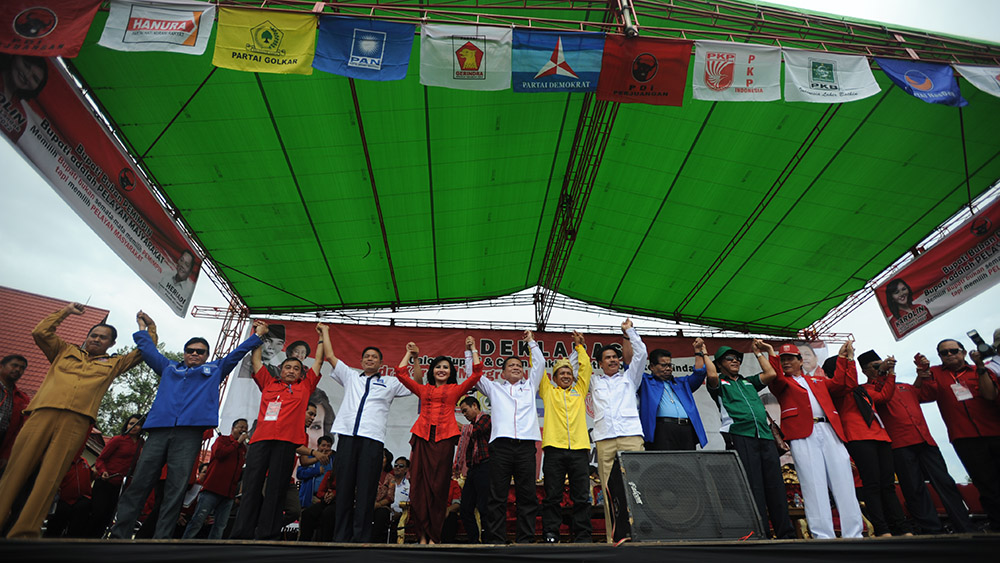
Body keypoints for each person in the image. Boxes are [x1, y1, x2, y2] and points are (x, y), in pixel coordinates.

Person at [0, 303, 153, 538]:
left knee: (51, 477)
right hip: (42, 413)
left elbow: (143, 352)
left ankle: (24, 532)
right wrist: (66, 312)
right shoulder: (63, 351)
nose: (96, 339)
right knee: (16, 469)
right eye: (93, 335)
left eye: (103, 338)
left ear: (111, 344)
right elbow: (40, 332)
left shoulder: (113, 364)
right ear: (87, 337)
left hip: (76, 422)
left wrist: (147, 328)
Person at [110, 313, 262, 540]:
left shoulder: (215, 370)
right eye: (190, 350)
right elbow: (149, 351)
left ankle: (160, 541)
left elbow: (237, 353)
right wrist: (143, 327)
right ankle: (118, 536)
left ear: (206, 355)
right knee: (139, 483)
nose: (194, 354)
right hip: (159, 431)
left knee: (175, 490)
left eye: (199, 351)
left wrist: (257, 336)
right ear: (184, 353)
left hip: (189, 434)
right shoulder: (169, 368)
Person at [862, 351, 973, 534]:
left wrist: (924, 372)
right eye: (875, 366)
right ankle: (932, 530)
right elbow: (883, 396)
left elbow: (929, 393)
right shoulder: (867, 390)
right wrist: (884, 374)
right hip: (899, 445)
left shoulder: (905, 387)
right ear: (865, 371)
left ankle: (965, 526)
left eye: (881, 364)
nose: (881, 368)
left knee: (945, 483)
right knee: (914, 489)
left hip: (925, 440)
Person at [230, 321, 323, 540]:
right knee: (251, 488)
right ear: (280, 370)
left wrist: (320, 336)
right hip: (260, 441)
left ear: (301, 373)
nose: (291, 370)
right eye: (287, 367)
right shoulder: (268, 382)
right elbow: (255, 359)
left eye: (296, 368)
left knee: (275, 490)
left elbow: (318, 361)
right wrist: (258, 335)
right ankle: (241, 533)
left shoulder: (304, 387)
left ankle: (267, 534)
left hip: (285, 443)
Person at [321, 324, 412, 543]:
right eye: (366, 356)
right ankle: (340, 536)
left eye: (374, 357)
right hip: (347, 437)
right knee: (343, 487)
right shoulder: (351, 377)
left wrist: (410, 355)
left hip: (372, 440)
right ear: (361, 361)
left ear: (381, 363)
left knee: (365, 489)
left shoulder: (389, 382)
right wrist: (324, 332)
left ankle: (360, 537)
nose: (370, 359)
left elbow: (415, 383)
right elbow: (330, 356)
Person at [765, 340, 863, 539]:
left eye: (790, 358)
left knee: (843, 481)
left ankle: (854, 534)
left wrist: (847, 359)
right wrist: (770, 354)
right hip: (803, 434)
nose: (785, 363)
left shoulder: (818, 380)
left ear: (800, 361)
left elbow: (846, 384)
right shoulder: (782, 383)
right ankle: (823, 536)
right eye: (782, 359)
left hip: (829, 429)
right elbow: (776, 376)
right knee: (813, 485)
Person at [395, 338, 483, 544]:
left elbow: (477, 374)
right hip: (422, 438)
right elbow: (400, 373)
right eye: (437, 367)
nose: (441, 370)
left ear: (450, 372)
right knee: (419, 487)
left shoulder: (455, 389)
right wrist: (409, 353)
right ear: (432, 370)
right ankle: (423, 536)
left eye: (445, 367)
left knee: (438, 487)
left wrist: (473, 349)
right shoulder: (424, 390)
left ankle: (434, 535)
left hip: (443, 440)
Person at [705, 341, 794, 539]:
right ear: (719, 363)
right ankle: (760, 533)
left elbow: (771, 374)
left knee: (775, 485)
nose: (735, 360)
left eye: (737, 358)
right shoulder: (719, 383)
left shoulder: (748, 381)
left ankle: (785, 534)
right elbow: (710, 375)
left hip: (764, 435)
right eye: (729, 358)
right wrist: (703, 353)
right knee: (754, 486)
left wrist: (759, 353)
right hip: (740, 435)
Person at [915, 338, 1000, 531]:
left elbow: (991, 395)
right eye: (944, 353)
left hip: (994, 431)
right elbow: (920, 396)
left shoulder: (982, 369)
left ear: (963, 352)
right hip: (964, 437)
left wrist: (979, 366)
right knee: (985, 483)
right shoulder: (935, 373)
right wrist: (922, 375)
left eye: (953, 350)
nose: (949, 355)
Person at [821, 353, 908, 537]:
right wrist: (850, 360)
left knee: (888, 484)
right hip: (858, 437)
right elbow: (847, 381)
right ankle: (882, 529)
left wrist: (890, 373)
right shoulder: (837, 389)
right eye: (842, 366)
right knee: (872, 484)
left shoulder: (861, 390)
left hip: (881, 436)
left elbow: (884, 395)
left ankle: (902, 528)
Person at [473, 329, 545, 544]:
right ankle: (496, 539)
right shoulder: (494, 388)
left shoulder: (530, 386)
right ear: (502, 373)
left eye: (519, 366)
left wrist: (531, 342)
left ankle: (526, 539)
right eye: (511, 366)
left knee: (527, 495)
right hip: (501, 447)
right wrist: (471, 352)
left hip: (525, 447)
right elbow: (475, 377)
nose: (516, 368)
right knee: (497, 496)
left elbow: (539, 364)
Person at [588, 319, 647, 542]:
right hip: (604, 439)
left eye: (615, 357)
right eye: (608, 358)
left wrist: (629, 331)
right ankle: (615, 538)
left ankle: (642, 532)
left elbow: (641, 354)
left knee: (637, 485)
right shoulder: (594, 382)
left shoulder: (630, 378)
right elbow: (578, 371)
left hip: (631, 435)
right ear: (600, 364)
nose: (613, 360)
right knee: (607, 489)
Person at [538, 331, 592, 543]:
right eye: (561, 373)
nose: (566, 376)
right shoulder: (548, 391)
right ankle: (551, 533)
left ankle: (583, 534)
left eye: (569, 373)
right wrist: (533, 346)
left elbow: (585, 368)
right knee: (552, 496)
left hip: (579, 450)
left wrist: (579, 348)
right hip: (554, 449)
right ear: (554, 377)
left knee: (581, 496)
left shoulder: (580, 389)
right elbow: (538, 370)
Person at [182, 418, 249, 539]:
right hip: (212, 489)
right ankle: (184, 544)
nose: (243, 430)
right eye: (241, 427)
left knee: (220, 525)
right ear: (233, 428)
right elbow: (220, 454)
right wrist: (237, 442)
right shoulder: (222, 440)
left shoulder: (243, 449)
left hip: (228, 494)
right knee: (198, 520)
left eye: (246, 428)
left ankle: (212, 550)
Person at [638, 340, 709, 451]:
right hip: (662, 430)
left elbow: (699, 374)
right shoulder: (645, 382)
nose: (668, 368)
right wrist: (629, 336)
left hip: (686, 429)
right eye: (663, 365)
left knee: (688, 465)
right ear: (652, 366)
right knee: (665, 465)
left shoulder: (682, 383)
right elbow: (630, 368)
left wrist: (698, 352)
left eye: (670, 365)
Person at [90, 413, 144, 537]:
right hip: (106, 482)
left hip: (122, 487)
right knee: (98, 513)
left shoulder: (142, 444)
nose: (134, 427)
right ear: (127, 425)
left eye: (138, 425)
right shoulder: (118, 439)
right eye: (131, 424)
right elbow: (101, 459)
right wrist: (103, 471)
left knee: (108, 517)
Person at [458, 396, 491, 544]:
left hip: (486, 466)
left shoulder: (486, 418)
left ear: (475, 406)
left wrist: (461, 428)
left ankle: (488, 540)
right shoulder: (468, 429)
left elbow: (478, 431)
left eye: (465, 410)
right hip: (473, 469)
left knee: (484, 507)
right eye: (462, 412)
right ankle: (474, 541)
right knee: (465, 508)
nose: (464, 414)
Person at [43, 452, 92, 538]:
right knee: (56, 526)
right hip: (63, 500)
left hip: (79, 501)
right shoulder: (65, 462)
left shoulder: (84, 461)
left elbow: (91, 475)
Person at [0, 54, 47, 142]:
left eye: (35, 79)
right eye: (26, 65)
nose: (27, 76)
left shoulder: (21, 120)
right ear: (14, 56)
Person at [0, 354, 29, 473]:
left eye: (22, 368)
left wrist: (6, 455)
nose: (18, 370)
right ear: (1, 366)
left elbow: (17, 430)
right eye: (14, 365)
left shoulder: (21, 399)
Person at [374, 455, 410, 543]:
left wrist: (400, 513)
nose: (397, 467)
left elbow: (410, 504)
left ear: (406, 469)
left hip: (400, 515)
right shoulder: (388, 481)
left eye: (401, 466)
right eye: (396, 465)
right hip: (384, 510)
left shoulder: (409, 486)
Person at [299, 467, 337, 541]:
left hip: (339, 501)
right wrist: (326, 494)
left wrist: (334, 494)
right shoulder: (330, 473)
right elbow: (320, 492)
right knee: (307, 513)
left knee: (328, 513)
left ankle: (326, 543)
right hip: (325, 500)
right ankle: (303, 543)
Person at [298, 435, 334, 508]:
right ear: (318, 446)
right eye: (323, 445)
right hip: (311, 497)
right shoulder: (309, 458)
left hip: (328, 498)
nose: (326, 448)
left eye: (328, 446)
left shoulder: (334, 460)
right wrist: (315, 471)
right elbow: (299, 474)